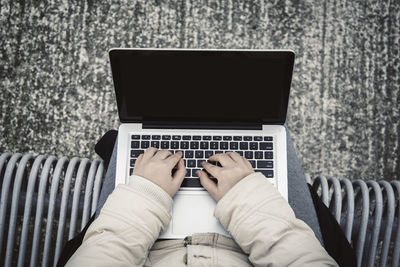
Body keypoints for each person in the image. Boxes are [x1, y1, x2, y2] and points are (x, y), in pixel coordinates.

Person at [65, 136, 339, 266]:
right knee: (276, 139)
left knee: (132, 148)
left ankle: (130, 144)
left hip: (142, 244)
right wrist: (245, 196)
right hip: (258, 241)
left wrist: (146, 193)